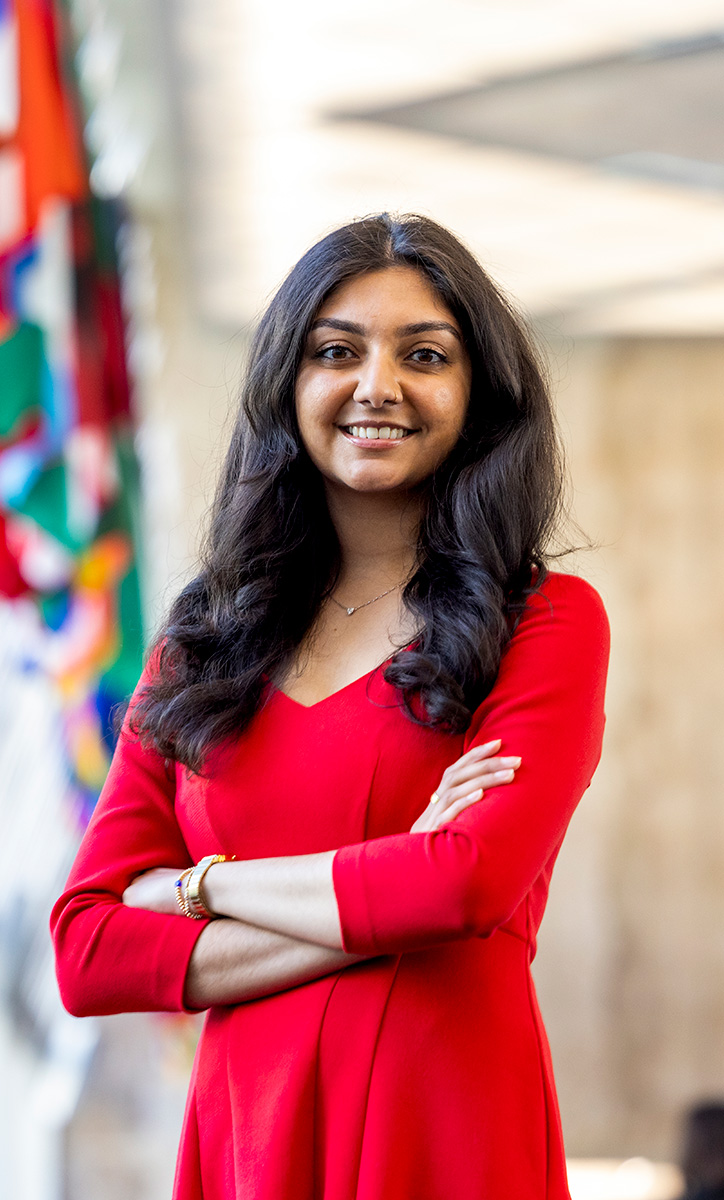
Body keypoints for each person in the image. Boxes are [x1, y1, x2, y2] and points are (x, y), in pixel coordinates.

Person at [51, 213, 610, 1200]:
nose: (376, 385)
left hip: (445, 1124)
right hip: (249, 1138)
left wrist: (202, 885)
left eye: (424, 354)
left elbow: (463, 888)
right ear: (288, 384)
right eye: (336, 351)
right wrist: (395, 874)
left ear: (477, 393)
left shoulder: (547, 625)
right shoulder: (201, 645)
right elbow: (89, 949)